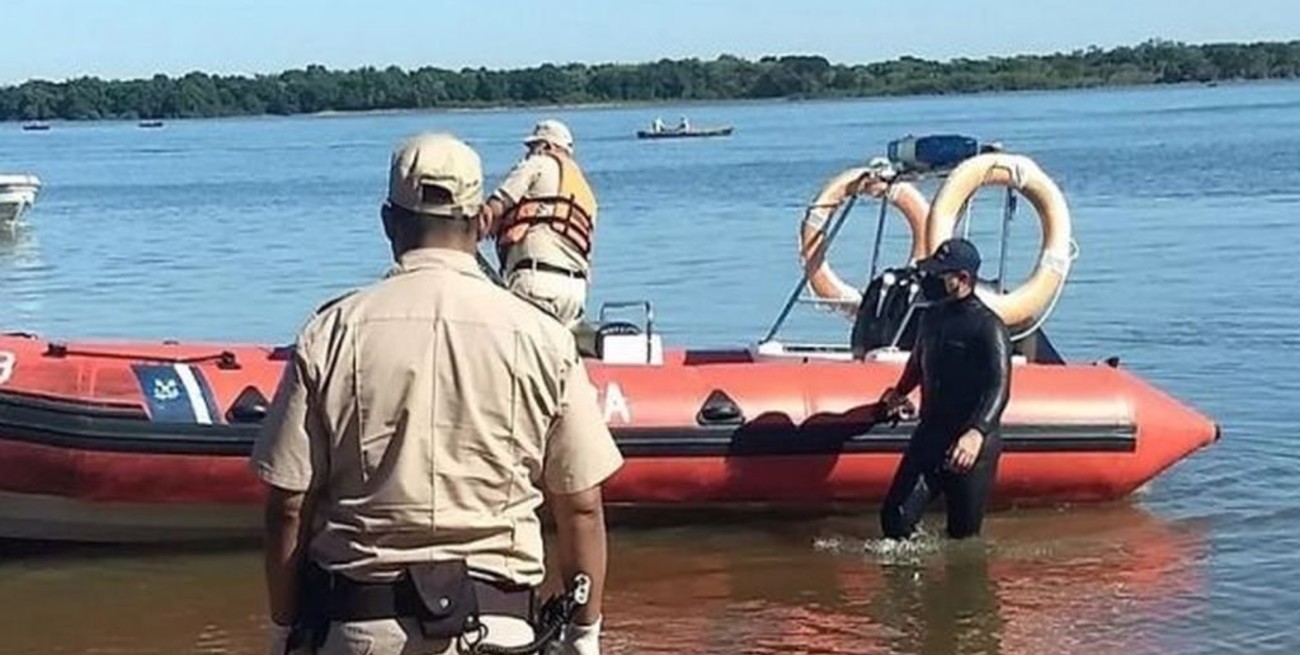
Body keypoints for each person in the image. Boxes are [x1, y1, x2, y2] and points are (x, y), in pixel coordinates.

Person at [252, 132, 623, 655]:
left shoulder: (330, 333)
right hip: (500, 632)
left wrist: (283, 631)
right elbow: (581, 507)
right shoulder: (545, 338)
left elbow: (288, 507)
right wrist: (584, 635)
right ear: (478, 224)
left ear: (388, 222)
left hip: (361, 629)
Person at [876, 237, 1012, 540]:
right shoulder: (931, 317)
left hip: (971, 444)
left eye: (939, 275)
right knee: (894, 518)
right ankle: (906, 584)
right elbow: (917, 363)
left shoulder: (988, 327)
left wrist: (977, 432)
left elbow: (999, 387)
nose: (929, 281)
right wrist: (899, 392)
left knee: (963, 538)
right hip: (931, 434)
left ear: (962, 279)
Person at [479, 119, 598, 330]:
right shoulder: (585, 191)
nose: (528, 154)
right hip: (575, 294)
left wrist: (463, 229)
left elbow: (494, 208)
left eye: (533, 147)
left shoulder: (538, 163)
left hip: (537, 283)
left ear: (547, 147)